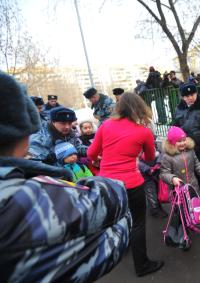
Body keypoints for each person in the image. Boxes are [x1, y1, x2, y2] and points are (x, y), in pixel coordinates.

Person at [0, 72, 131, 282]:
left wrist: (87, 155)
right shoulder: (39, 142)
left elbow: (78, 147)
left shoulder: (68, 132)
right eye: (63, 125)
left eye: (71, 125)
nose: (68, 128)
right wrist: (57, 163)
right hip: (62, 188)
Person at [87, 91, 164, 277]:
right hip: (132, 184)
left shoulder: (105, 126)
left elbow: (91, 154)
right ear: (139, 108)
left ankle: (116, 252)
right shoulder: (143, 132)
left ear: (119, 107)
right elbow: (150, 158)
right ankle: (142, 265)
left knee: (115, 219)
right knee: (137, 223)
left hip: (108, 184)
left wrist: (102, 159)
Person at [173, 83, 200, 205]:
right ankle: (196, 189)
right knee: (192, 170)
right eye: (186, 96)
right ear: (182, 97)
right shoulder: (179, 108)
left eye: (192, 94)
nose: (190, 98)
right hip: (187, 146)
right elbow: (176, 127)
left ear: (196, 93)